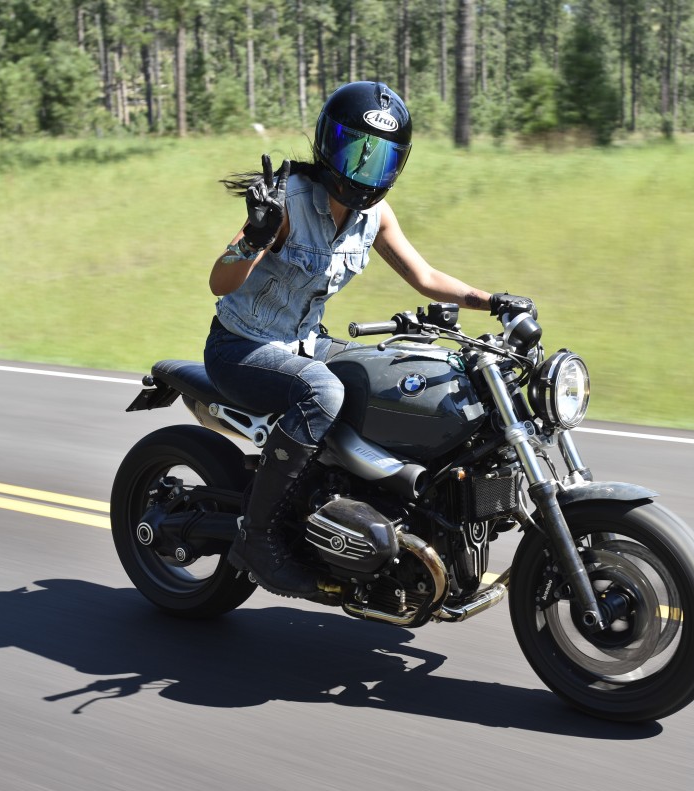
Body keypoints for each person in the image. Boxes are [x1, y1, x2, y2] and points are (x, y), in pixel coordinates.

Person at [204, 80, 533, 598]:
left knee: (395, 374)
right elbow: (219, 283)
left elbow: (424, 277)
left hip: (305, 343)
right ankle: (259, 538)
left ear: (396, 166)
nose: (363, 168)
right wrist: (254, 236)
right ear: (326, 144)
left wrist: (493, 300)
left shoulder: (374, 216)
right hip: (240, 348)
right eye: (353, 148)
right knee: (325, 392)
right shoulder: (286, 200)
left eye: (378, 158)